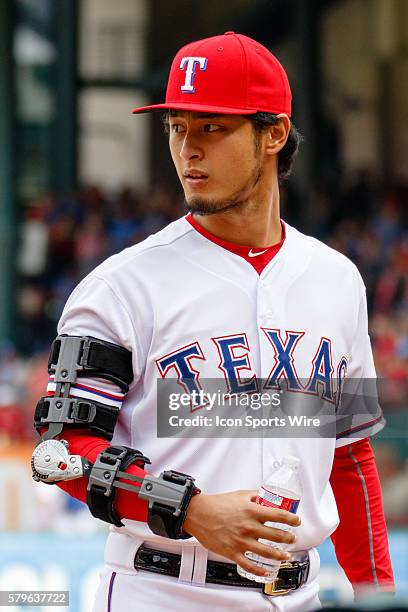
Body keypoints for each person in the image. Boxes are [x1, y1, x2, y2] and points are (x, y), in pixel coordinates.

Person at [32, 32, 395, 611]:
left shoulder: (338, 280)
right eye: (178, 127)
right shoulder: (120, 286)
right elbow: (64, 447)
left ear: (274, 133)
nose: (187, 149)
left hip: (298, 593)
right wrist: (192, 510)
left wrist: (378, 594)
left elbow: (350, 454)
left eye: (212, 128)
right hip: (162, 588)